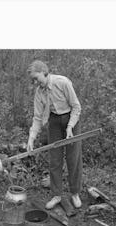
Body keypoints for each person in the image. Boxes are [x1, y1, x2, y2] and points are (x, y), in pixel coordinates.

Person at [27, 60, 83, 209]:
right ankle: (56, 195)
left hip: (71, 118)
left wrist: (70, 127)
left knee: (73, 158)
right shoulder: (39, 92)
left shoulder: (62, 82)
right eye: (33, 80)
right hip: (54, 122)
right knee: (55, 160)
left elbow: (77, 107)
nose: (35, 83)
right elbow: (37, 117)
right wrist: (31, 139)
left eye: (36, 78)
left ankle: (75, 193)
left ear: (44, 72)